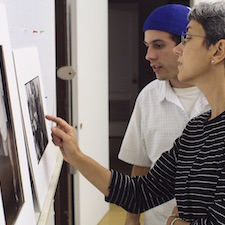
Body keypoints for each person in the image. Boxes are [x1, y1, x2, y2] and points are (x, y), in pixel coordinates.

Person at [46, 1, 225, 224]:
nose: (179, 48)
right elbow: (140, 193)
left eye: (187, 38)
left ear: (218, 51)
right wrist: (75, 156)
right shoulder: (196, 130)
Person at [118, 4, 210, 225]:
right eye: (147, 46)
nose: (149, 55)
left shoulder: (218, 96)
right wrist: (132, 219)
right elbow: (140, 164)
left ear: (185, 45)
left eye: (158, 45)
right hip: (159, 219)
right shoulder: (148, 97)